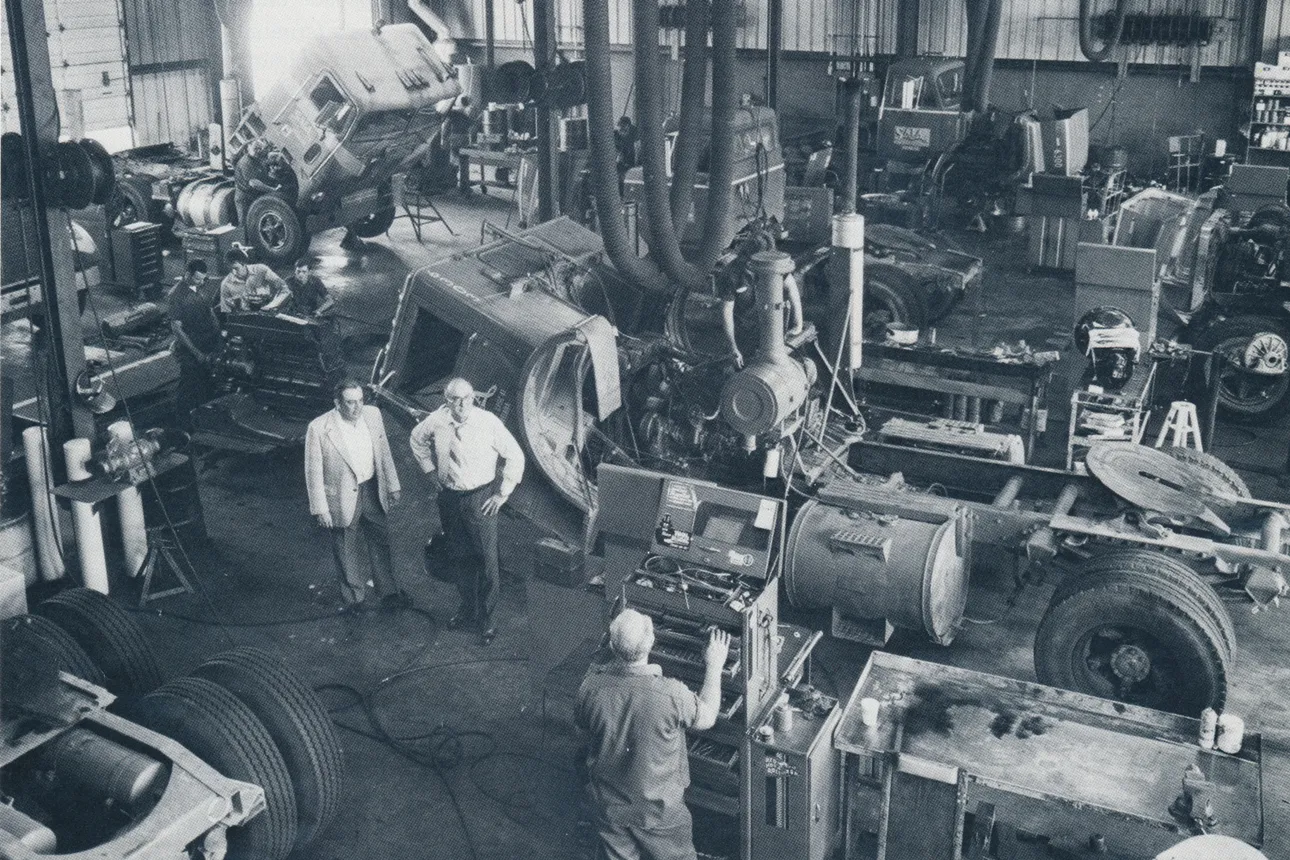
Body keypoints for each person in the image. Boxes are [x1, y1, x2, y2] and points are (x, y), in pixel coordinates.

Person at [575, 609, 731, 860]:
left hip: (608, 806)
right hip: (659, 811)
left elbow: (582, 734)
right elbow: (708, 717)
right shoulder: (672, 695)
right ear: (651, 642)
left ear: (612, 645)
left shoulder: (590, 687)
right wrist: (714, 666)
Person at [409, 377, 524, 646]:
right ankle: (467, 610)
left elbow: (515, 455)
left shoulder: (488, 423)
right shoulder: (438, 419)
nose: (460, 405)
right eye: (454, 399)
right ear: (445, 400)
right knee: (460, 557)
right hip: (449, 498)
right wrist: (429, 471)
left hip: (480, 498)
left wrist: (502, 494)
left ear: (473, 398)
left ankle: (486, 619)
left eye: (466, 398)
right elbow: (417, 440)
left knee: (486, 560)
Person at [304, 380, 410, 615]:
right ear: (337, 404)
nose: (357, 407)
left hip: (372, 487)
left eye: (360, 400)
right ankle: (354, 599)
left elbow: (384, 453)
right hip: (341, 496)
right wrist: (320, 508)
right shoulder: (319, 428)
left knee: (381, 539)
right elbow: (313, 472)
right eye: (350, 403)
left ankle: (390, 592)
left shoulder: (373, 415)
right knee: (345, 546)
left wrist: (393, 484)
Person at [716, 229, 804, 369]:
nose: (765, 265)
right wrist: (733, 348)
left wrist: (798, 325)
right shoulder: (731, 275)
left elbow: (792, 289)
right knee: (741, 372)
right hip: (744, 335)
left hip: (772, 328)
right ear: (749, 257)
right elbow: (726, 313)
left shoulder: (773, 265)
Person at [166, 259, 222, 429]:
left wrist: (218, 334)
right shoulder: (176, 295)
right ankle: (181, 425)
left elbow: (210, 310)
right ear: (187, 274)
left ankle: (203, 420)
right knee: (189, 386)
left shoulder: (201, 287)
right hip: (191, 349)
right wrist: (196, 353)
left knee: (206, 384)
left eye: (203, 279)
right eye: (197, 279)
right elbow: (177, 328)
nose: (201, 282)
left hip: (208, 344)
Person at [219, 248, 290, 314]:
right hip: (246, 319)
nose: (234, 272)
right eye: (230, 269)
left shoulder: (261, 270)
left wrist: (272, 305)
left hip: (270, 313)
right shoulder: (226, 284)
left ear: (243, 263)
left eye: (236, 268)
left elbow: (284, 288)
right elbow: (226, 312)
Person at [233, 138, 280, 232]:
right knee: (245, 225)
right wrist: (272, 189)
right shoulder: (245, 163)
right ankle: (243, 244)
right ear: (248, 147)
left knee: (259, 223)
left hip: (255, 196)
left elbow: (264, 172)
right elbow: (254, 183)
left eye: (259, 149)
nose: (258, 151)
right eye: (256, 148)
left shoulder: (257, 158)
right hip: (245, 198)